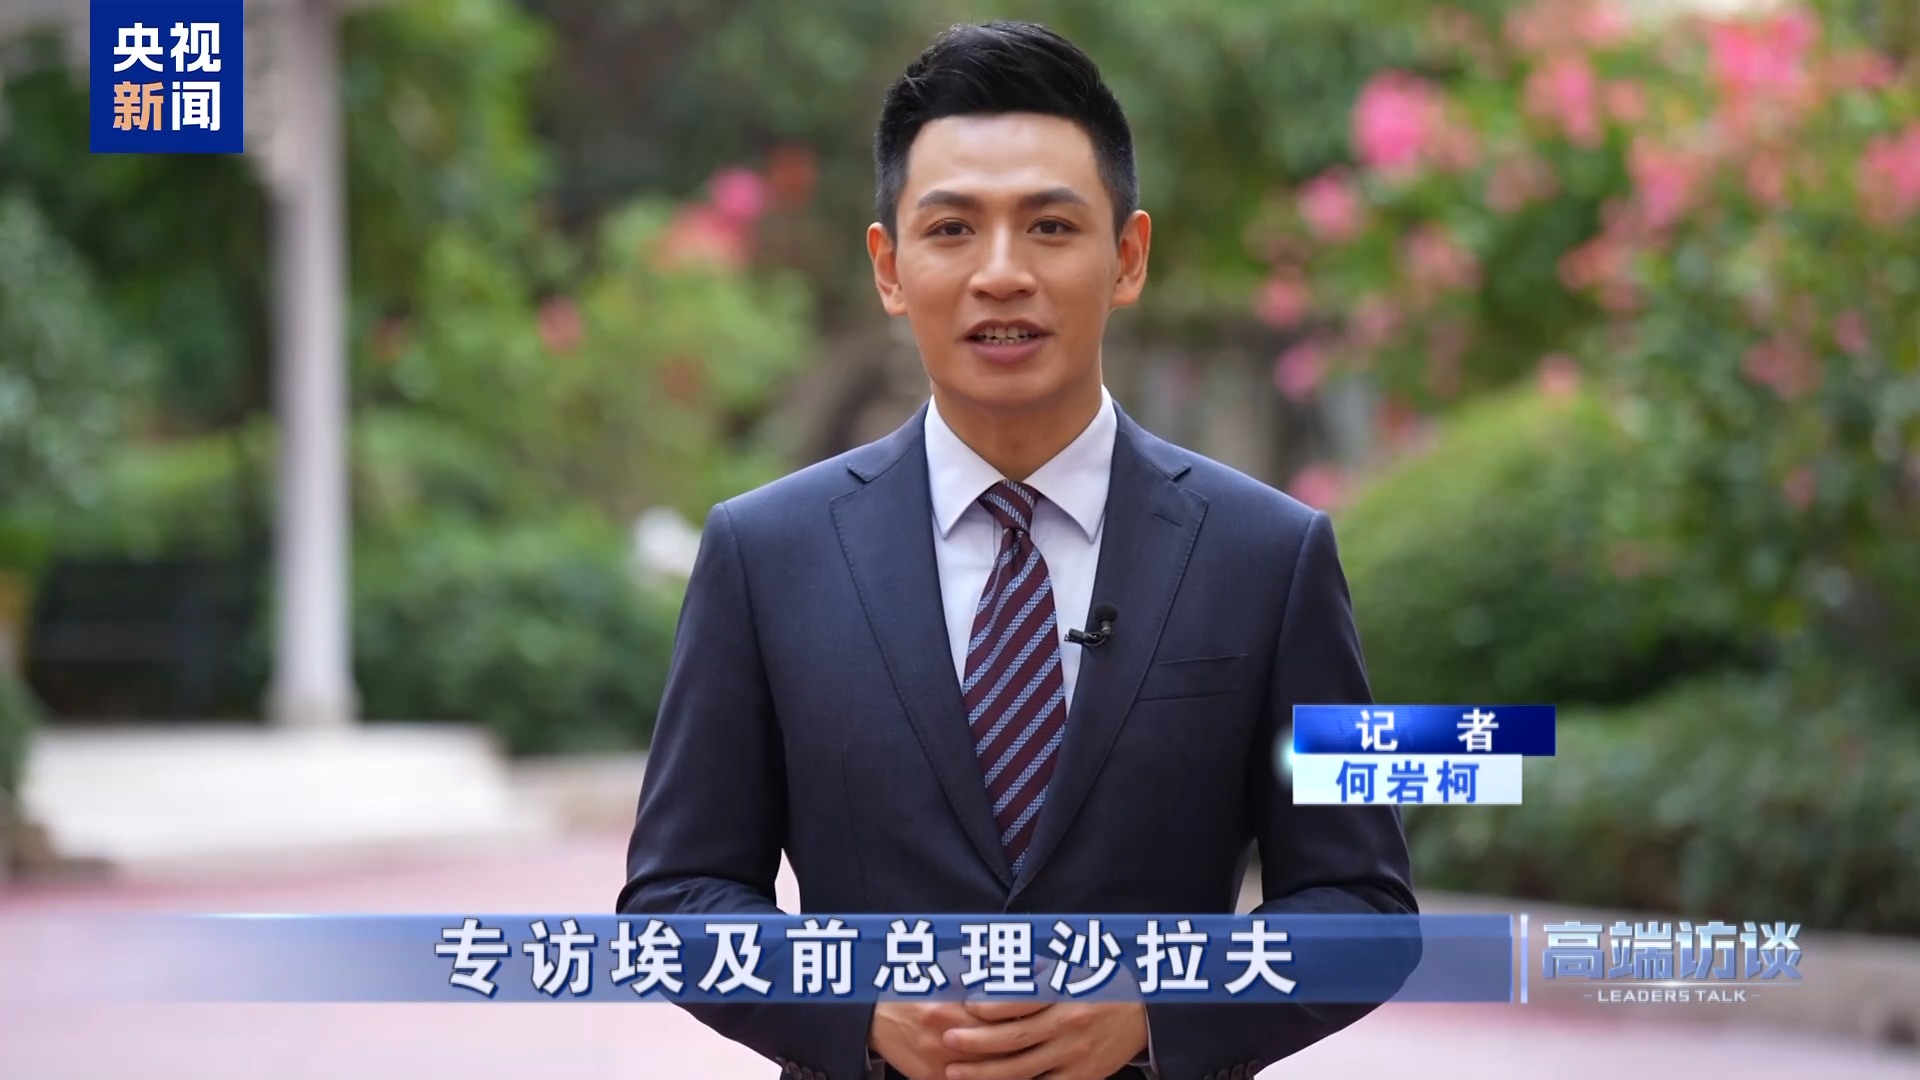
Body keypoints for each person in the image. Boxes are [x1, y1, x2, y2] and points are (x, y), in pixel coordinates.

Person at [617, 20, 1416, 1080]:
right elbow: (673, 900)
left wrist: (1157, 1002)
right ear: (889, 267)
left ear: (1127, 258)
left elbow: (1364, 906)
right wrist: (859, 1002)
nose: (1001, 274)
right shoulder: (765, 554)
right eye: (952, 229)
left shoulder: (1269, 555)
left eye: (1050, 226)